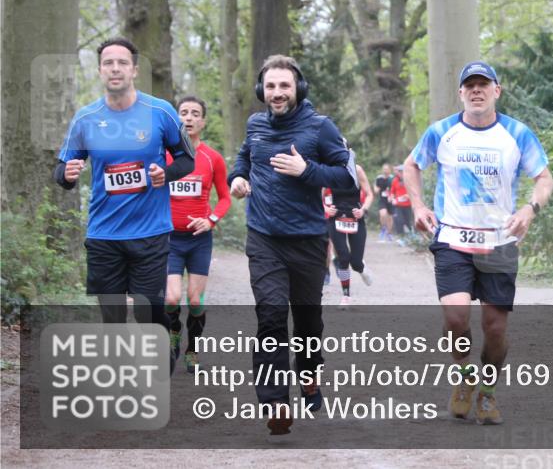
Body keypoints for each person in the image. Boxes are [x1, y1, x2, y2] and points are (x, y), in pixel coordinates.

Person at [403, 61, 553, 425]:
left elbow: (544, 178)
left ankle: (487, 391)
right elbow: (411, 166)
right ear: (460, 93)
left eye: (483, 84)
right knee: (456, 318)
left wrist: (529, 209)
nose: (476, 90)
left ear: (496, 91)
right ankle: (464, 375)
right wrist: (419, 205)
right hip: (452, 239)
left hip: (499, 243)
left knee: (495, 328)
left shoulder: (517, 134)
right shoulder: (442, 132)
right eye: (469, 85)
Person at [228, 54, 358, 436]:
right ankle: (276, 403)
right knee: (270, 316)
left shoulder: (320, 128)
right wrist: (237, 178)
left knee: (307, 323)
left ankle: (309, 373)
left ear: (298, 88)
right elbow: (244, 158)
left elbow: (348, 177)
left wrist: (307, 170)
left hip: (308, 241)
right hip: (264, 237)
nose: (277, 92)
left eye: (284, 85)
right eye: (270, 86)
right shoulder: (255, 125)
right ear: (261, 90)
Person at [53, 38, 195, 370]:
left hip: (150, 233)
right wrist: (67, 174)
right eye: (108, 63)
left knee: (148, 311)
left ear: (134, 70)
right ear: (100, 70)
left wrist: (165, 174)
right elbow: (61, 170)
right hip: (104, 234)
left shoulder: (160, 111)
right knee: (113, 316)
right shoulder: (86, 118)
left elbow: (186, 160)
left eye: (122, 62)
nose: (115, 68)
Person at [165, 95, 231, 374]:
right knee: (171, 299)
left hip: (198, 241)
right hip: (169, 239)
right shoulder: (163, 155)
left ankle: (193, 349)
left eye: (195, 113)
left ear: (203, 122)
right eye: (183, 112)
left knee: (194, 300)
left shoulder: (212, 158)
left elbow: (225, 197)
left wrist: (211, 220)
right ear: (176, 119)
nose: (189, 118)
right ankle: (174, 333)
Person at [323, 154, 374, 307]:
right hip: (336, 218)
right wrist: (326, 209)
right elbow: (317, 195)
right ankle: (346, 295)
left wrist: (363, 210)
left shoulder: (357, 170)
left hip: (355, 218)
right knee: (343, 258)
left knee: (355, 262)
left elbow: (370, 194)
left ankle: (361, 268)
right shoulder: (329, 171)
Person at [389, 166, 413, 237]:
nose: (401, 173)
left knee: (408, 221)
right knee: (399, 220)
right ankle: (400, 237)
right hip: (398, 205)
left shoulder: (410, 180)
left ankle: (410, 236)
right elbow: (392, 192)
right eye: (399, 172)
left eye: (402, 172)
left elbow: (414, 191)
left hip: (408, 205)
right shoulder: (395, 180)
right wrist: (392, 198)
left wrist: (408, 195)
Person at [373, 163, 395, 240]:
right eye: (384, 169)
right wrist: (376, 189)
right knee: (383, 214)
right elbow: (375, 189)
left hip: (391, 199)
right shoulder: (379, 178)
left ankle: (389, 233)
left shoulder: (392, 178)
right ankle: (383, 229)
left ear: (390, 170)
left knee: (390, 217)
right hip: (382, 199)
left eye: (386, 169)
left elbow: (396, 188)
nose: (385, 170)